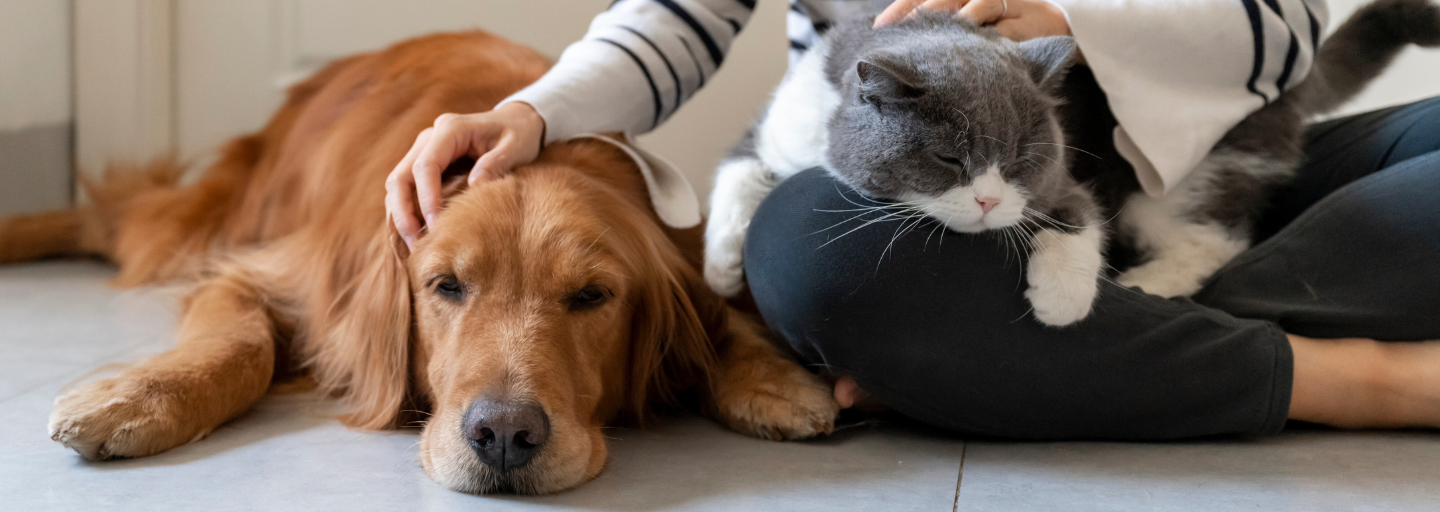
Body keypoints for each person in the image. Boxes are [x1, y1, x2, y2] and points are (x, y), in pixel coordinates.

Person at [385, 0, 1440, 439]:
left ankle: (1033, 353)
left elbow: (1283, 22)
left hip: (1190, 173)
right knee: (806, 254)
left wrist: (1082, 19)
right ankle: (1353, 374)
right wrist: (536, 111)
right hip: (905, 205)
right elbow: (679, 14)